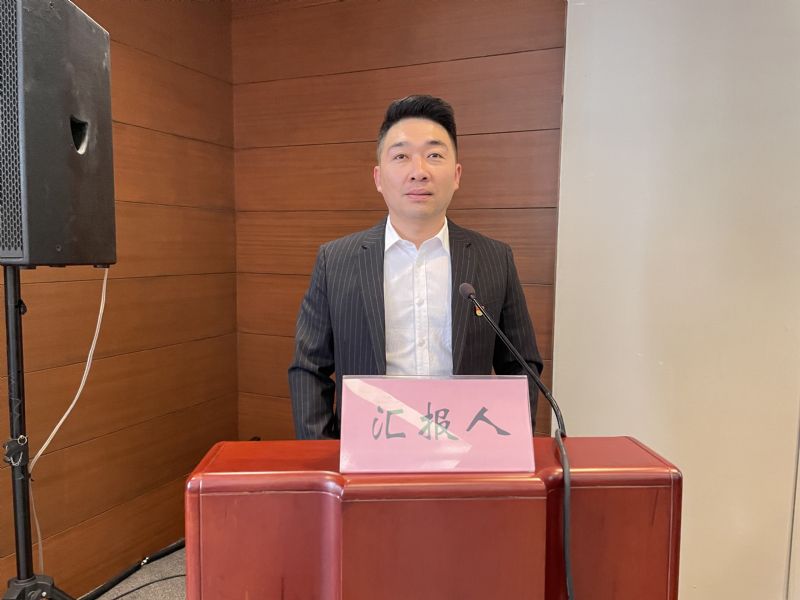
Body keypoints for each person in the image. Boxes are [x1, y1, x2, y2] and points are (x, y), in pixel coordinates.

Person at [289, 95, 542, 440]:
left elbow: (522, 365)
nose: (419, 171)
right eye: (401, 156)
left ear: (456, 175)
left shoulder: (494, 258)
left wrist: (506, 446)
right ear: (378, 177)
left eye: (434, 155)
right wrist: (324, 454)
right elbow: (309, 368)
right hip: (367, 451)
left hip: (465, 450)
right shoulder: (336, 261)